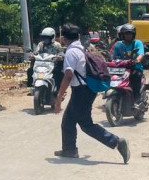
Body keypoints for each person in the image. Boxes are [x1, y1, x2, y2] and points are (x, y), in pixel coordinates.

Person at [54, 23, 130, 162]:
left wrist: (59, 96)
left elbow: (68, 75)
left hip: (81, 91)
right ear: (78, 36)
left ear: (64, 38)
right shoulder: (81, 48)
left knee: (86, 124)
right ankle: (69, 149)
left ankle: (117, 142)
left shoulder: (71, 52)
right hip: (86, 89)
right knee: (68, 121)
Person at [111, 23, 145, 106]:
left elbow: (141, 53)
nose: (128, 35)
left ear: (133, 34)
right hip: (121, 68)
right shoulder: (118, 44)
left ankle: (137, 99)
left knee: (135, 77)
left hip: (135, 68)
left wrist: (137, 59)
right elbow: (113, 56)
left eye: (130, 33)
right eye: (126, 33)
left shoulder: (137, 43)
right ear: (122, 35)